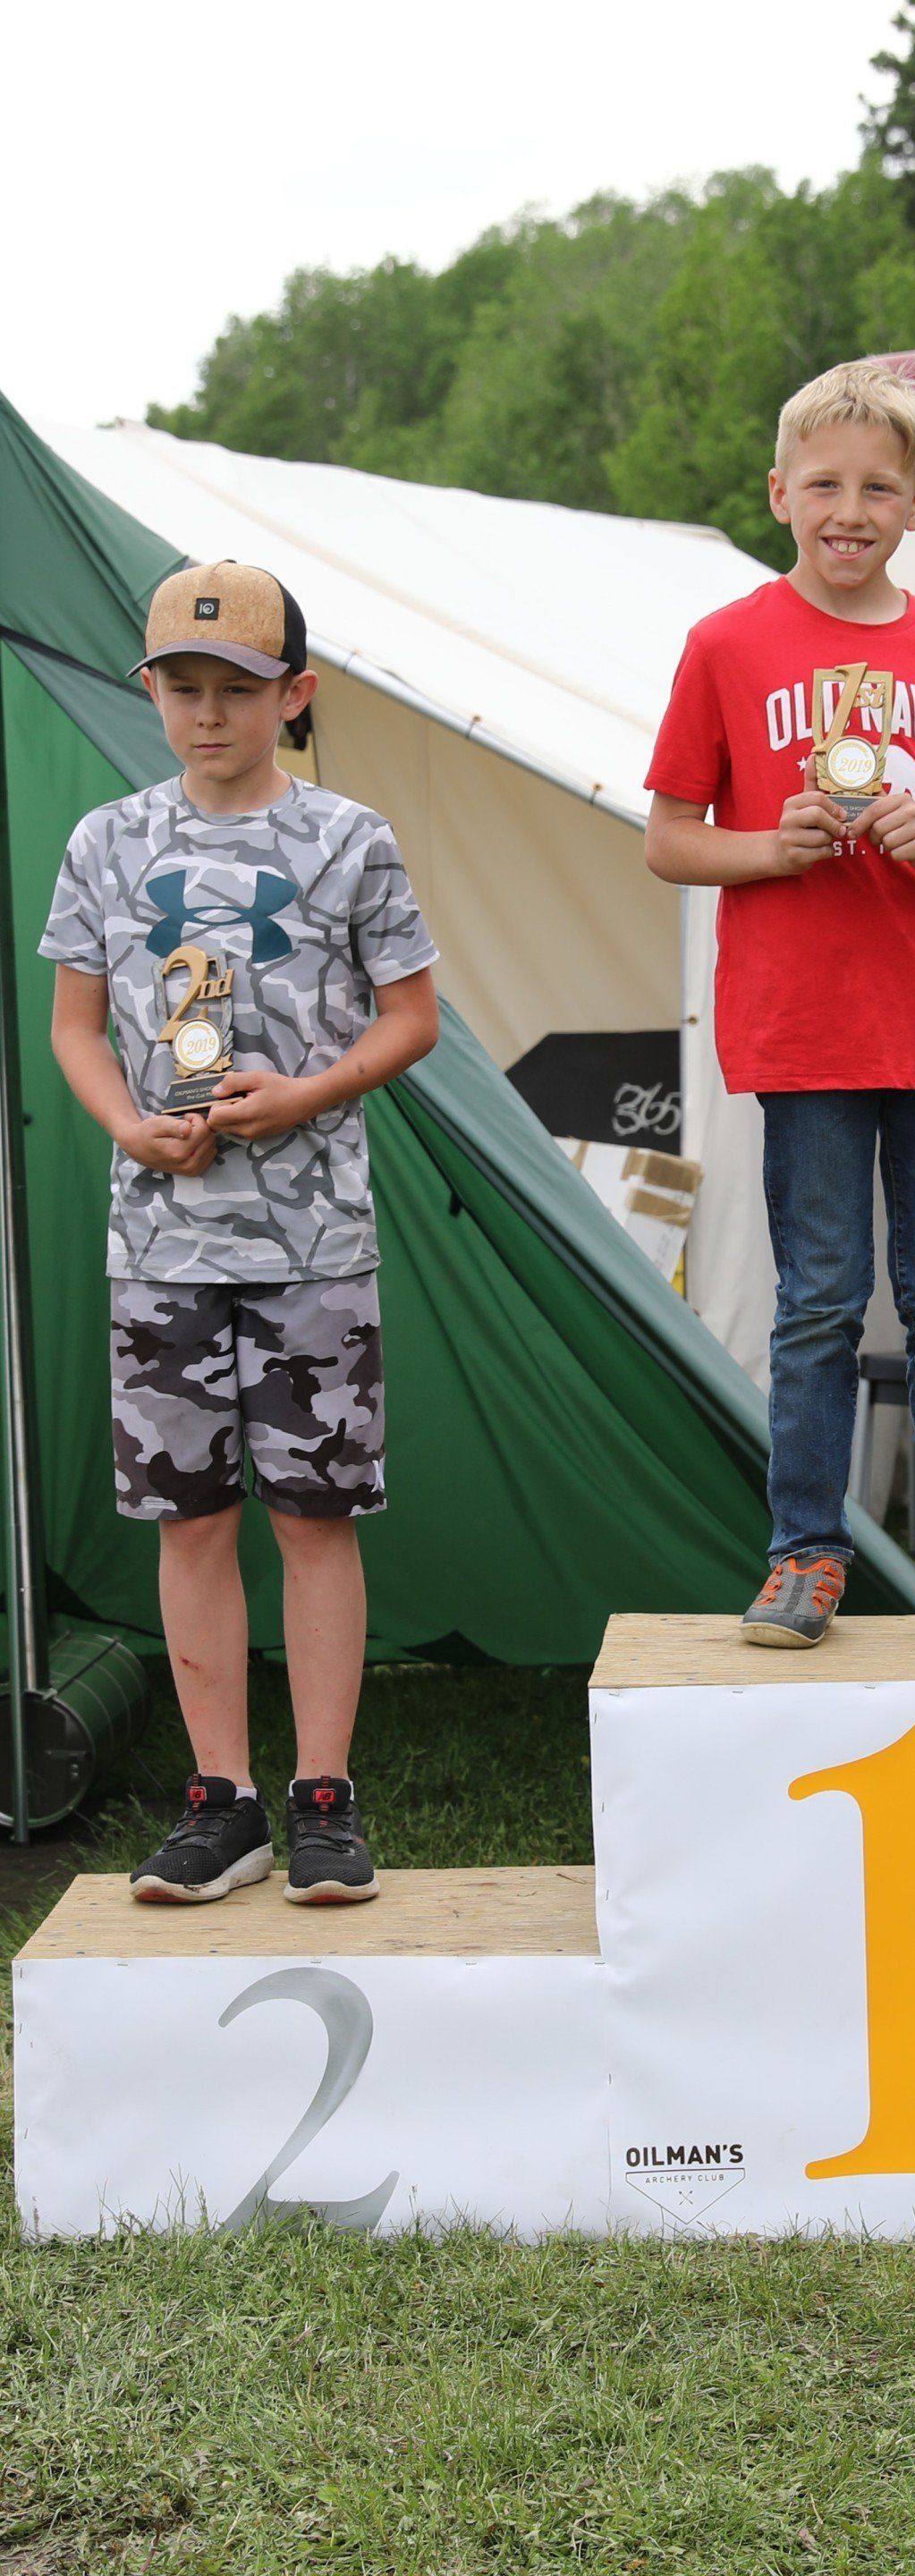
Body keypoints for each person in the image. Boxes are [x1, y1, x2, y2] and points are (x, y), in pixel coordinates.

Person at [41, 562, 441, 1902]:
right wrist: (126, 1126)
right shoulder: (107, 841)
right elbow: (74, 1029)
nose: (209, 714)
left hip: (315, 1243)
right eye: (184, 687)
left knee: (317, 1518)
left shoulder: (350, 838)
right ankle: (224, 1803)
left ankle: (324, 1794)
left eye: (239, 690)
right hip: (159, 1247)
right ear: (149, 689)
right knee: (191, 1521)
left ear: (295, 694)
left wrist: (306, 1093)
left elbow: (411, 1018)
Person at [645, 360, 915, 1648]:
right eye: (824, 484)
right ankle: (805, 1554)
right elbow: (669, 840)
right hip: (804, 1034)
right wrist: (776, 846)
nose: (849, 509)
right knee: (819, 1300)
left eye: (879, 487)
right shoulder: (724, 646)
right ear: (779, 494)